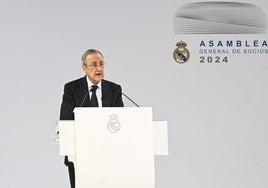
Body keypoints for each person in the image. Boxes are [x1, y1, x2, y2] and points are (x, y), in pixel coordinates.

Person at [59, 49, 124, 188]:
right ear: (84, 68)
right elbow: (66, 119)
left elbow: (122, 120)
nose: (99, 68)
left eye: (101, 64)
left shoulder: (115, 89)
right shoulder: (72, 88)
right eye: (94, 64)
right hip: (80, 155)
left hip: (109, 155)